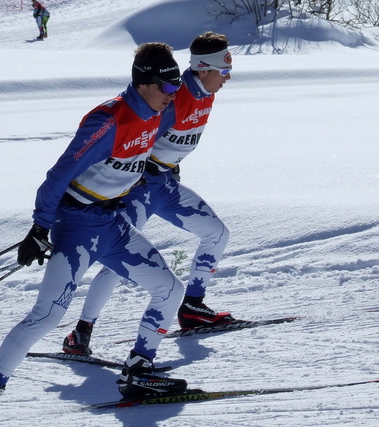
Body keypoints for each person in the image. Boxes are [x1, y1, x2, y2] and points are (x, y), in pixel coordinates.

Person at [0, 42, 187, 426]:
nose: (173, 95)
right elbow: (59, 175)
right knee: (48, 314)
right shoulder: (108, 120)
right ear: (144, 82)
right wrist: (39, 227)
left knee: (171, 289)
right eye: (167, 88)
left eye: (176, 87)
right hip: (77, 225)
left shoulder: (159, 114)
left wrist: (153, 174)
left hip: (112, 224)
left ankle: (138, 370)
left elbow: (142, 156)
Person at [62, 32, 234, 355]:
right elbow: (139, 136)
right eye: (223, 71)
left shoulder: (206, 94)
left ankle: (193, 306)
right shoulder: (174, 97)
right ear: (203, 70)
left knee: (217, 234)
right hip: (140, 190)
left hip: (165, 186)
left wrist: (172, 166)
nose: (227, 78)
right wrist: (122, 182)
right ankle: (81, 332)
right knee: (116, 263)